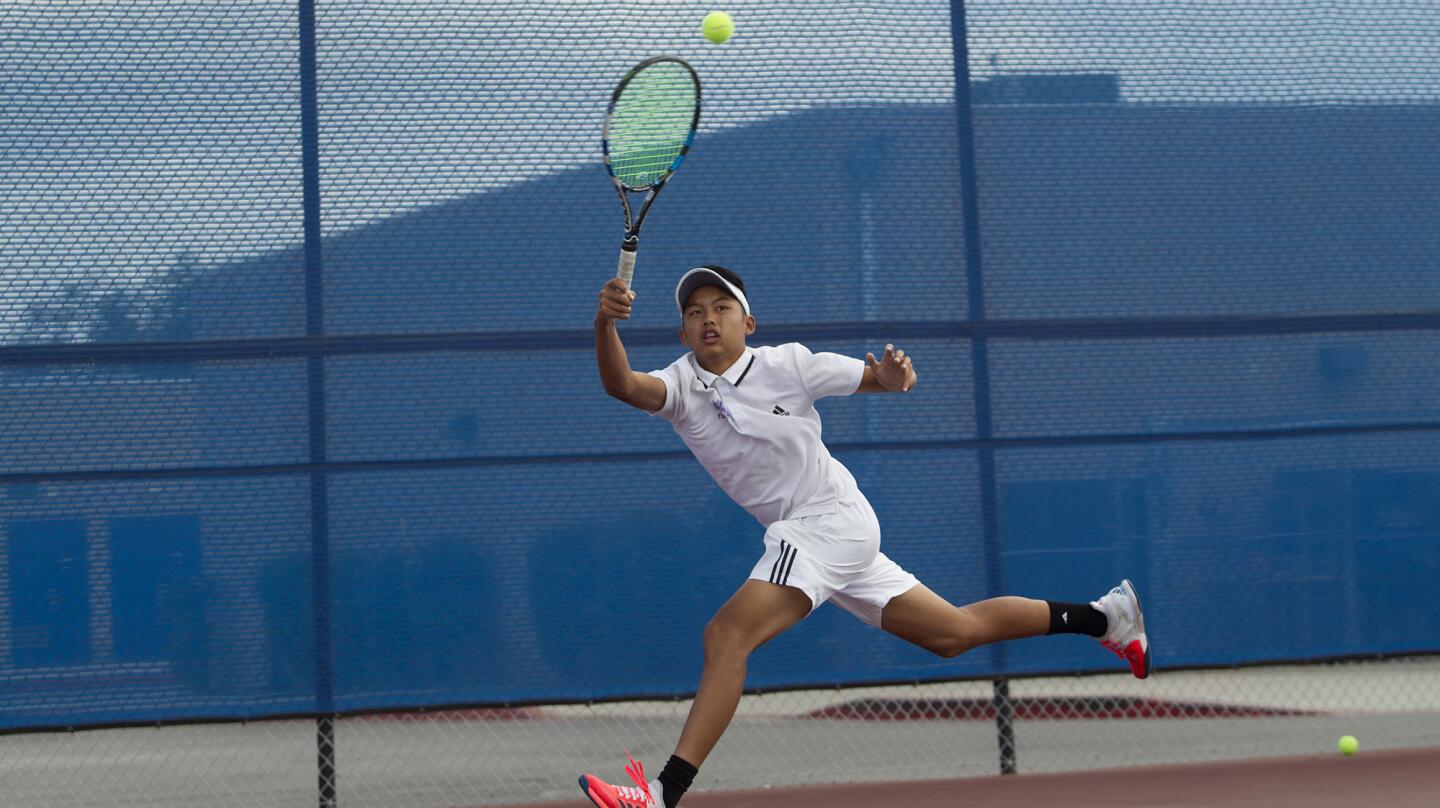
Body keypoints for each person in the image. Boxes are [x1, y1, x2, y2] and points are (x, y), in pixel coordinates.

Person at [579, 266, 1150, 808]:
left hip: (828, 520)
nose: (709, 318)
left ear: (747, 323)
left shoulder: (790, 365)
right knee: (953, 633)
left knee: (726, 637)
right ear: (682, 330)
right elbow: (622, 384)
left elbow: (884, 377)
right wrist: (606, 324)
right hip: (824, 537)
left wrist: (897, 377)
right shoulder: (680, 385)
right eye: (696, 311)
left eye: (722, 307)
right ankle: (1108, 617)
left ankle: (660, 795)